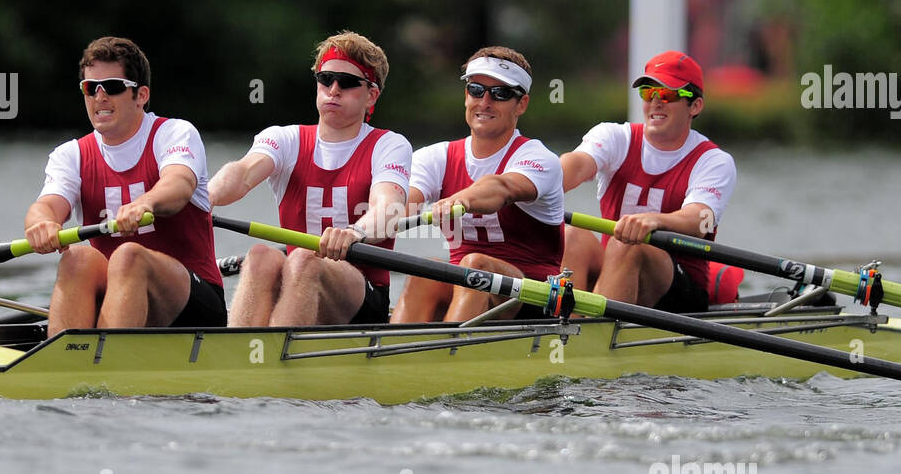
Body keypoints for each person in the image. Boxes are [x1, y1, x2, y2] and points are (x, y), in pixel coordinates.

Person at [208, 30, 411, 326]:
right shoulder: (284, 138)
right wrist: (205, 197)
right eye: (326, 79)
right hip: (298, 281)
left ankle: (277, 363)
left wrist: (355, 232)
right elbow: (241, 174)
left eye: (349, 82)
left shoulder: (389, 145)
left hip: (362, 296)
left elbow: (388, 210)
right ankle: (241, 357)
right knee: (261, 255)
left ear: (372, 95)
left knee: (304, 259)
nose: (334, 89)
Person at [24, 36, 225, 334]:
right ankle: (65, 365)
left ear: (141, 95)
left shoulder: (174, 134)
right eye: (91, 88)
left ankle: (105, 367)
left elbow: (179, 184)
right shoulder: (71, 155)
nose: (100, 97)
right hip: (117, 302)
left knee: (129, 256)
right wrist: (42, 224)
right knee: (77, 257)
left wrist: (147, 202)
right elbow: (46, 207)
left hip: (194, 305)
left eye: (114, 87)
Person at [391, 46, 564, 323]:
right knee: (426, 271)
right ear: (466, 96)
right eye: (476, 90)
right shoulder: (435, 157)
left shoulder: (538, 158)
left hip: (533, 298)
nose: (485, 102)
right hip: (467, 290)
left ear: (522, 104)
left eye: (500, 94)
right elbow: (400, 202)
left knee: (476, 264)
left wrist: (459, 200)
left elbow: (502, 189)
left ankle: (448, 352)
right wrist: (373, 220)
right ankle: (393, 356)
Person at [559, 50, 735, 312]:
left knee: (630, 244)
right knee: (572, 235)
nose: (655, 102)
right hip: (616, 270)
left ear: (695, 106)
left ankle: (588, 339)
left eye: (667, 94)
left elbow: (700, 220)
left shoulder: (714, 160)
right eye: (648, 93)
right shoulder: (614, 136)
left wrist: (655, 220)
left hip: (680, 292)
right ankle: (566, 327)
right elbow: (574, 168)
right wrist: (532, 185)